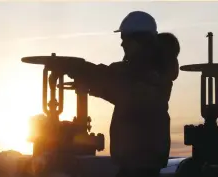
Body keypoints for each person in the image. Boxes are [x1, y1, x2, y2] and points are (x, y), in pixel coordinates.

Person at [62, 11, 179, 177]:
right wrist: (86, 80)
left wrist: (76, 68)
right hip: (141, 161)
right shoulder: (150, 69)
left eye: (125, 39)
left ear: (138, 41)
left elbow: (114, 84)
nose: (122, 44)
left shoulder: (146, 73)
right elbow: (114, 83)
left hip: (140, 162)